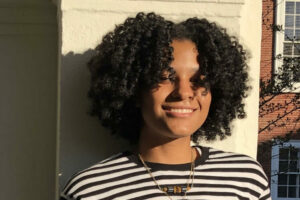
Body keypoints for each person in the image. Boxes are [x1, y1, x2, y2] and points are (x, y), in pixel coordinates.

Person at [60, 12, 271, 200]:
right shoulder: (91, 190)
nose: (184, 92)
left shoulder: (245, 179)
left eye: (199, 80)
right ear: (133, 89)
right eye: (164, 77)